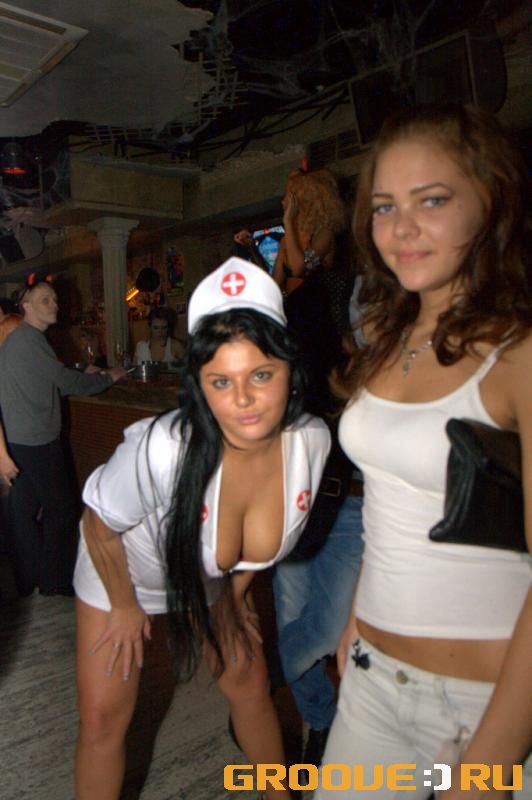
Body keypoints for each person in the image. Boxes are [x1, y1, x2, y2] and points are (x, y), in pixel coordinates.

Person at [316, 104, 532, 798]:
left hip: (487, 705)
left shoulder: (518, 353)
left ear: (489, 202)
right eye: (385, 206)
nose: (401, 228)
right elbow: (390, 500)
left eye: (432, 200)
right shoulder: (389, 337)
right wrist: (357, 615)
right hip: (373, 679)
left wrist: (492, 762)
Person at [73, 257, 331, 800]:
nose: (243, 400)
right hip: (121, 569)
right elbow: (98, 523)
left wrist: (234, 596)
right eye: (221, 381)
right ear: (200, 387)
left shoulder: (311, 443)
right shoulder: (163, 449)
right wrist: (123, 605)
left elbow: (257, 551)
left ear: (290, 369)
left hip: (210, 578)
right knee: (104, 721)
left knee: (250, 686)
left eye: (261, 374)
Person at [0, 277, 126, 597]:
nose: (54, 304)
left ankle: (30, 579)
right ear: (26, 306)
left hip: (21, 439)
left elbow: (47, 380)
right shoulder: (28, 339)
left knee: (23, 511)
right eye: (45, 300)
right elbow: (66, 383)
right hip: (37, 440)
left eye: (54, 299)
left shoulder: (22, 339)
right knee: (63, 509)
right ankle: (55, 583)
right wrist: (109, 377)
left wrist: (80, 374)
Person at [272, 168, 345, 295]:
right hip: (294, 304)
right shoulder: (286, 240)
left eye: (288, 197)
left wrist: (288, 222)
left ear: (304, 202)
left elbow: (298, 269)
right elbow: (274, 284)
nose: (283, 202)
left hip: (321, 303)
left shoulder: (324, 234)